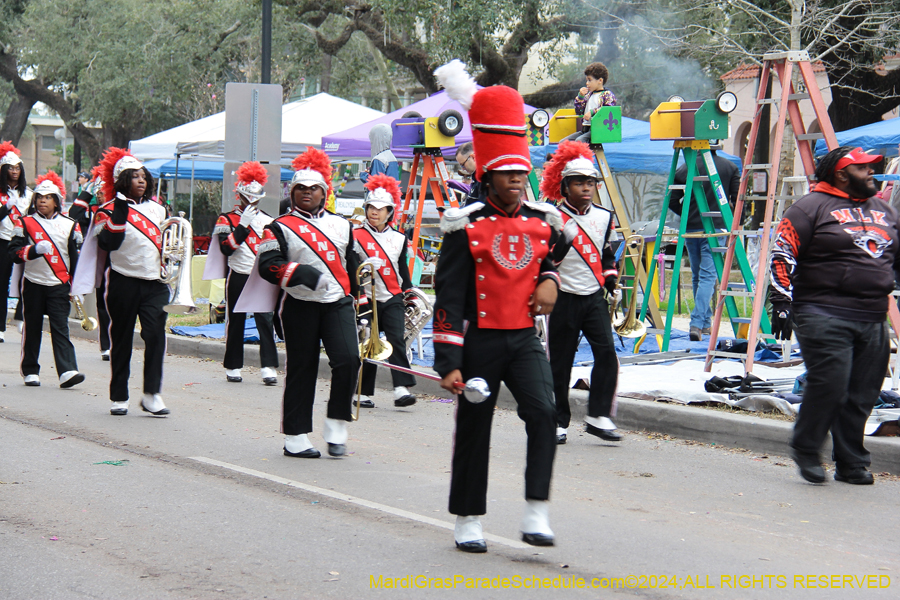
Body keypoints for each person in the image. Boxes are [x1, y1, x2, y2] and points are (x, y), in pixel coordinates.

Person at [434, 59, 572, 552]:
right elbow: (447, 294)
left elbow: (555, 250)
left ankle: (537, 510)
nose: (518, 180)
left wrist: (551, 279)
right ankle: (468, 518)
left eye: (523, 172)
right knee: (475, 427)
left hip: (523, 338)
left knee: (545, 412)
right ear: (489, 175)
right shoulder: (464, 224)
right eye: (508, 174)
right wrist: (449, 360)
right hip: (480, 340)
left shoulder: (543, 219)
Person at [770, 146, 900, 485]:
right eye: (864, 168)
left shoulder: (884, 211)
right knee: (831, 382)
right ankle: (807, 448)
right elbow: (783, 253)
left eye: (873, 168)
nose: (872, 173)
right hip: (821, 311)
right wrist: (781, 301)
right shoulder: (809, 208)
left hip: (872, 316)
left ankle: (851, 462)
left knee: (863, 392)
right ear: (842, 173)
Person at [255, 147, 360, 459]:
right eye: (300, 188)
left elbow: (352, 264)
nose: (306, 193)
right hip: (300, 303)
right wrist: (301, 274)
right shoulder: (278, 226)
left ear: (324, 193)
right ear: (292, 191)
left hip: (338, 302)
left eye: (314, 189)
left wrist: (363, 301)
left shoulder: (343, 225)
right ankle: (296, 435)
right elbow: (267, 265)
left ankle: (337, 421)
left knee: (349, 360)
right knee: (302, 368)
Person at [76, 147, 170, 417]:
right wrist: (119, 207)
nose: (141, 180)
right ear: (122, 180)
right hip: (123, 281)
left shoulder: (159, 210)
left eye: (144, 176)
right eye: (134, 176)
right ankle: (119, 395)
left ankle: (152, 393)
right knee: (121, 339)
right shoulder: (107, 211)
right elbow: (110, 242)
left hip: (155, 283)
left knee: (155, 335)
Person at [540, 141, 621, 445]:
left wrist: (611, 281)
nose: (586, 188)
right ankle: (558, 420)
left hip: (593, 297)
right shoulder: (551, 216)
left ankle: (599, 416)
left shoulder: (604, 216)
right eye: (579, 183)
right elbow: (544, 260)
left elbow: (608, 254)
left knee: (607, 355)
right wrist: (563, 243)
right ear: (565, 186)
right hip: (562, 297)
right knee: (560, 362)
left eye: (590, 182)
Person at [8, 171, 84, 388]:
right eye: (39, 197)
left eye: (48, 197)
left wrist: (76, 286)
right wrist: (33, 250)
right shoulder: (24, 222)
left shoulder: (70, 224)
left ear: (57, 201)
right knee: (32, 328)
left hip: (59, 284)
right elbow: (13, 253)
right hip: (33, 282)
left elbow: (74, 257)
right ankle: (30, 370)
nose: (42, 200)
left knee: (61, 328)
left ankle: (68, 370)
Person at [208, 161, 279, 386]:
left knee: (265, 321)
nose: (252, 202)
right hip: (238, 273)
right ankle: (233, 365)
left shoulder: (268, 219)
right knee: (235, 321)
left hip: (260, 276)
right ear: (239, 195)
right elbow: (226, 248)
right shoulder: (226, 219)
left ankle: (268, 366)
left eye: (256, 198)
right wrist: (243, 226)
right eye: (248, 197)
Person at [353, 173, 418, 409]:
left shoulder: (400, 238)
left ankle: (401, 388)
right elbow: (349, 270)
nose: (375, 212)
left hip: (392, 296)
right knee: (369, 343)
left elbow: (403, 271)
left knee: (396, 340)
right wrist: (363, 268)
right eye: (371, 207)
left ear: (390, 212)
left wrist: (409, 292)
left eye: (381, 209)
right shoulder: (355, 236)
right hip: (366, 297)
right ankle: (363, 392)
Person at [667, 143, 741, 341]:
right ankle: (697, 322)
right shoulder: (730, 167)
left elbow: (672, 200)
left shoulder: (685, 167)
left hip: (691, 227)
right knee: (708, 276)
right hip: (718, 227)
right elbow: (737, 200)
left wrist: (687, 215)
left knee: (698, 275)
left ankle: (705, 323)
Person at [69, 168, 111, 360]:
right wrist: (87, 190)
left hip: (119, 258)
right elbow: (74, 212)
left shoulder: (117, 207)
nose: (100, 196)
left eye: (103, 191)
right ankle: (106, 346)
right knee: (102, 302)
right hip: (97, 257)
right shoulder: (92, 208)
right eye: (98, 192)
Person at [0, 141, 32, 342]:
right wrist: (6, 207)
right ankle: (0, 326)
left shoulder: (28, 194)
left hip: (21, 242)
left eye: (17, 168)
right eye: (10, 168)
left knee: (26, 281)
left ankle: (21, 317)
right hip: (2, 241)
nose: (15, 171)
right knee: (2, 284)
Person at [565, 62, 616, 143]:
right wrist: (580, 97)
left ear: (600, 80)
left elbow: (607, 110)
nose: (587, 83)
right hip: (585, 129)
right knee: (564, 142)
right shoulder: (588, 95)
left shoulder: (607, 95)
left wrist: (592, 112)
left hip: (598, 130)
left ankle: (581, 155)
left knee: (579, 141)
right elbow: (579, 111)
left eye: (589, 80)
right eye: (586, 80)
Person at [453, 142, 480, 206]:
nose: (463, 169)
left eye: (463, 165)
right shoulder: (477, 179)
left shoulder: (485, 179)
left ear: (473, 157)